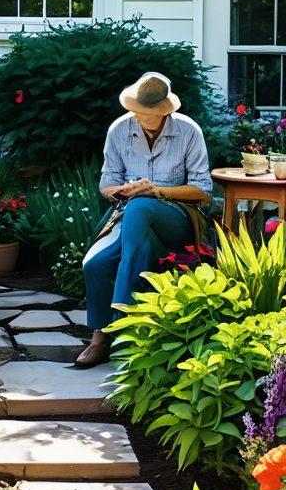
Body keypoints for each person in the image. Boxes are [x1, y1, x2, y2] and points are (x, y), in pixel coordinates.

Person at [74, 71, 213, 368]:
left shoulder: (189, 131)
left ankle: (120, 326)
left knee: (140, 206)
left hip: (177, 217)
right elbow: (106, 185)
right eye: (135, 111)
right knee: (94, 263)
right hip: (130, 217)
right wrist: (124, 190)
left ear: (164, 111)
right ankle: (99, 340)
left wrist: (157, 191)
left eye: (146, 114)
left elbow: (202, 192)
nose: (138, 117)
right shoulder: (119, 130)